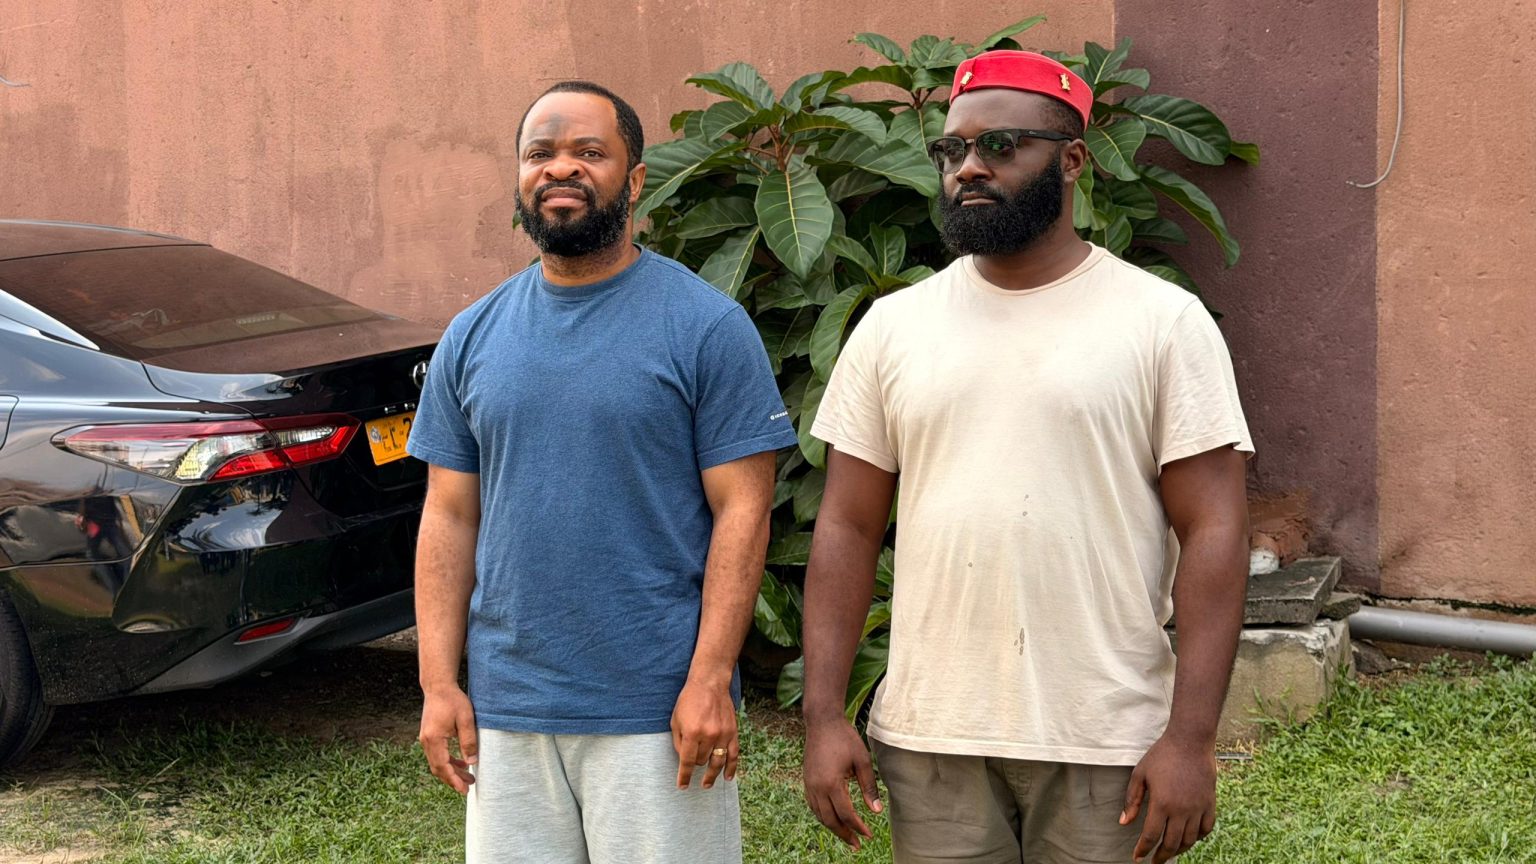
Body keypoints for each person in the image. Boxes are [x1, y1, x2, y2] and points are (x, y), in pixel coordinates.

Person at [800, 51, 1253, 864]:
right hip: (932, 733)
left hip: (1105, 735)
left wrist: (1190, 739)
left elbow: (1215, 529)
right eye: (953, 149)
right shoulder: (894, 328)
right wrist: (824, 714)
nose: (969, 167)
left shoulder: (1162, 322)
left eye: (1001, 146)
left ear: (1073, 160)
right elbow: (846, 526)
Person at [407, 80, 798, 864]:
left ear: (637, 178)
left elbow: (744, 511)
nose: (561, 168)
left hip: (657, 708)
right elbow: (449, 514)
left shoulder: (706, 327)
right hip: (509, 708)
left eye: (590, 151)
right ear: (520, 177)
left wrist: (710, 679)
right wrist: (438, 683)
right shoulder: (472, 335)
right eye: (540, 153)